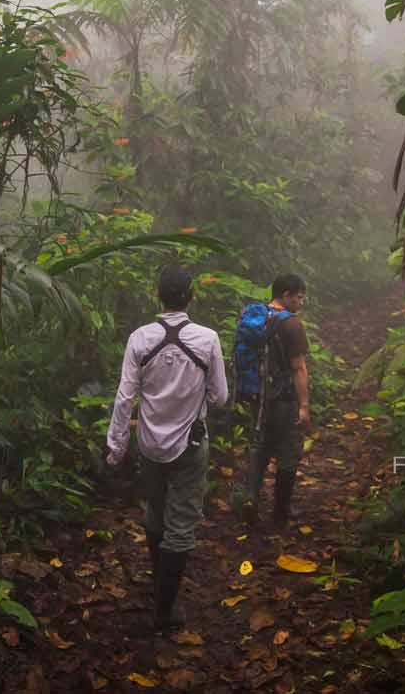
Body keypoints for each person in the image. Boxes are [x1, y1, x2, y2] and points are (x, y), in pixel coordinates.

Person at [106, 264, 228, 633]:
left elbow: (125, 397)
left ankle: (160, 587)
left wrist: (115, 447)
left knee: (155, 512)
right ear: (191, 296)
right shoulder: (207, 339)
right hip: (190, 444)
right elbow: (220, 397)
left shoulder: (140, 338)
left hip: (149, 444)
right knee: (182, 523)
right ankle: (165, 607)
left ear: (157, 295)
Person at [244, 273, 309, 527]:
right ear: (286, 295)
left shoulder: (257, 318)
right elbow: (298, 368)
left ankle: (250, 499)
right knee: (289, 450)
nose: (301, 302)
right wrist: (303, 405)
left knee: (260, 446)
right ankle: (281, 511)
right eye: (299, 297)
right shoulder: (291, 324)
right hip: (284, 398)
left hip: (258, 396)